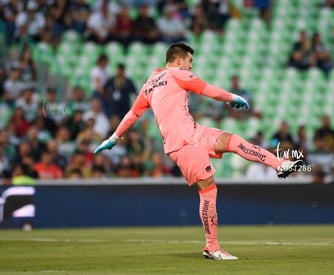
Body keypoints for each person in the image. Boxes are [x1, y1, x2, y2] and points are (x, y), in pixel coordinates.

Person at [94, 43, 302, 260]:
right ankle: (212, 247)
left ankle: (280, 165)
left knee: (234, 141)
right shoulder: (177, 74)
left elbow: (132, 114)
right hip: (183, 144)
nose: (191, 66)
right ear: (178, 60)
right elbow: (207, 89)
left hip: (195, 132)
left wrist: (113, 137)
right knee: (208, 190)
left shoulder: (150, 83)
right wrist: (233, 97)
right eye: (189, 61)